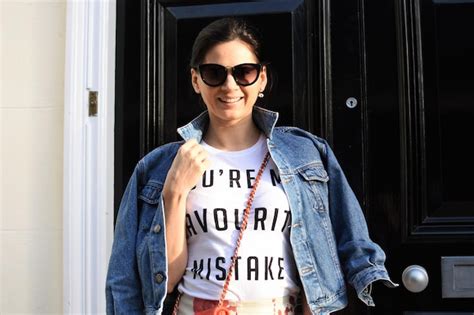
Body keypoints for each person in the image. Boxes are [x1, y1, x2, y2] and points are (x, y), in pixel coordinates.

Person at [106, 17, 397, 315]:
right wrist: (174, 191)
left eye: (244, 72)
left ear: (262, 79)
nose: (229, 86)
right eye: (213, 73)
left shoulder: (305, 153)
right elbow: (161, 281)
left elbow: (349, 241)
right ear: (196, 80)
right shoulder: (159, 166)